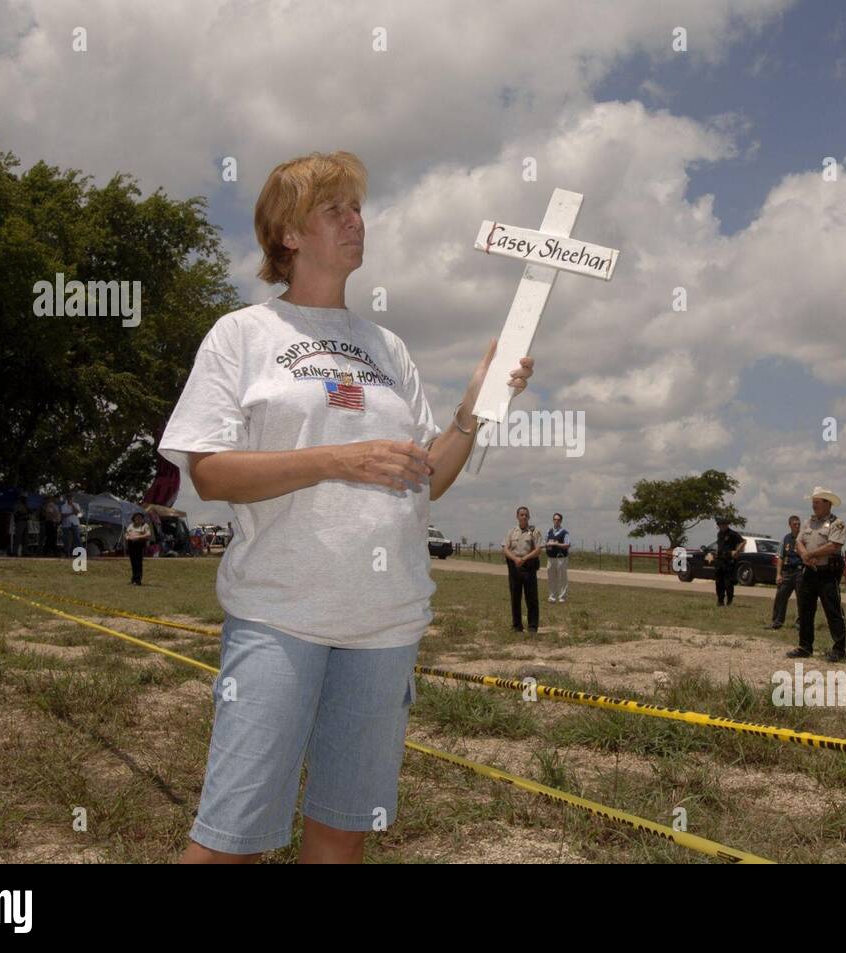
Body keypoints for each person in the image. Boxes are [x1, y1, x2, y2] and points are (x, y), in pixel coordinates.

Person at [158, 150, 534, 864]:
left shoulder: (387, 346)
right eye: (335, 209)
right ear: (289, 234)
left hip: (385, 620)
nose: (355, 220)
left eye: (357, 208)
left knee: (339, 836)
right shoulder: (243, 335)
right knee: (228, 842)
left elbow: (429, 478)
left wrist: (474, 407)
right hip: (280, 614)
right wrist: (335, 459)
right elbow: (209, 472)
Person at [786, 487, 846, 662]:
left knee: (833, 610)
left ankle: (839, 650)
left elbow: (833, 546)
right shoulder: (808, 523)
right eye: (813, 502)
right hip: (809, 571)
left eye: (817, 502)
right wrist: (804, 555)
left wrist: (811, 554)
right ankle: (805, 647)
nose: (814, 506)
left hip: (828, 572)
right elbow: (798, 541)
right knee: (805, 610)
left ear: (828, 503)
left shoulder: (837, 523)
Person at [503, 506, 543, 633]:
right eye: (521, 515)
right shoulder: (511, 532)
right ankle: (516, 626)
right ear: (517, 517)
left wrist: (525, 558)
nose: (524, 517)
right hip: (514, 567)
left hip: (529, 566)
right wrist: (515, 559)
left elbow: (538, 549)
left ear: (529, 517)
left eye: (526, 515)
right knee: (515, 597)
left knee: (531, 598)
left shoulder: (534, 532)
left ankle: (532, 626)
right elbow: (505, 548)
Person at [767, 515, 803, 629]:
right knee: (780, 596)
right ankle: (777, 622)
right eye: (795, 524)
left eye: (798, 524)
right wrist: (778, 574)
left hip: (800, 572)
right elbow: (780, 557)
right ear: (790, 525)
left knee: (802, 599)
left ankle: (800, 623)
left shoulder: (803, 538)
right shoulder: (786, 539)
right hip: (787, 572)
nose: (797, 526)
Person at [713, 516, 745, 607]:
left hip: (729, 561)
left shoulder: (732, 534)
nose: (722, 526)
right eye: (720, 525)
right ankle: (720, 601)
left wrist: (737, 551)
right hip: (719, 560)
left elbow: (743, 541)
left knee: (728, 583)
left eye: (724, 524)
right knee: (719, 582)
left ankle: (729, 600)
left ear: (727, 525)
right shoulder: (719, 534)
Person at [545, 512, 570, 603]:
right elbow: (545, 542)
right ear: (553, 520)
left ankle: (562, 597)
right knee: (551, 578)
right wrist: (548, 544)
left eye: (558, 519)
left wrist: (557, 544)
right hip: (551, 558)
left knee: (562, 578)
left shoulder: (564, 532)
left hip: (561, 558)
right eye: (555, 519)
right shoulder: (549, 531)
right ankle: (552, 596)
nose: (556, 521)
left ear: (561, 521)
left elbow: (567, 544)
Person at [125, 512, 152, 585]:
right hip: (131, 545)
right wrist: (128, 537)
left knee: (138, 562)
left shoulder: (144, 525)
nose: (138, 519)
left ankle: (138, 580)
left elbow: (148, 535)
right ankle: (133, 578)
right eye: (137, 517)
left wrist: (137, 537)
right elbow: (127, 533)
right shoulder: (131, 525)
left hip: (139, 544)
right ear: (133, 519)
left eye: (140, 518)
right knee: (133, 562)